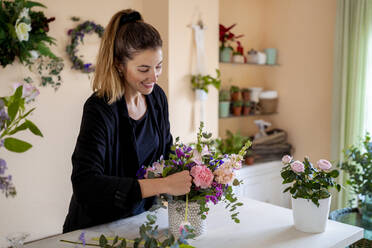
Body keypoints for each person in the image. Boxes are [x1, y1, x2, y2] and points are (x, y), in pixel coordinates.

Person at [63, 9, 192, 233]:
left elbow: (167, 153)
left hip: (138, 221)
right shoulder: (99, 108)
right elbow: (85, 184)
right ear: (119, 65)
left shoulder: (157, 98)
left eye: (158, 66)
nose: (154, 77)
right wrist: (163, 185)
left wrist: (196, 169)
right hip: (96, 227)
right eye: (143, 69)